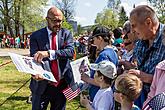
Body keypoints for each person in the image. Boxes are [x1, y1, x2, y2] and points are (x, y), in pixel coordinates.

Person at [29, 6, 75, 110]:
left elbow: (71, 52)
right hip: (42, 84)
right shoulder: (36, 36)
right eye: (55, 21)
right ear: (47, 19)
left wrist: (49, 53)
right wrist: (35, 73)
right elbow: (33, 58)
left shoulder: (66, 34)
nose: (58, 24)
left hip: (62, 84)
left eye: (60, 21)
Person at [128, 5, 165, 108]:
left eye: (134, 25)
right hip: (141, 99)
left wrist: (148, 78)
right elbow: (136, 65)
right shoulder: (140, 42)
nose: (132, 31)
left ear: (148, 22)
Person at [81, 26, 118, 101]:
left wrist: (87, 79)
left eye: (94, 39)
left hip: (99, 94)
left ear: (100, 38)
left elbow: (103, 81)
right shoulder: (113, 52)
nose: (93, 42)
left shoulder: (103, 55)